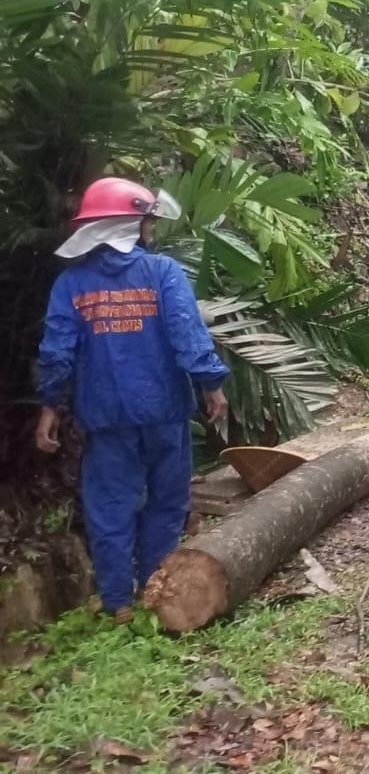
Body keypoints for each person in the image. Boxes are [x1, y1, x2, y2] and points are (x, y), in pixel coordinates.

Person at [35, 178, 230, 625]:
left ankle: (118, 602)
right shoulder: (163, 273)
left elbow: (56, 353)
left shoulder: (72, 285)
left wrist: (50, 407)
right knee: (166, 502)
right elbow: (188, 334)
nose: (152, 229)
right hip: (164, 412)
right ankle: (157, 592)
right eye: (147, 221)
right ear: (132, 224)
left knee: (109, 508)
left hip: (105, 418)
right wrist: (211, 384)